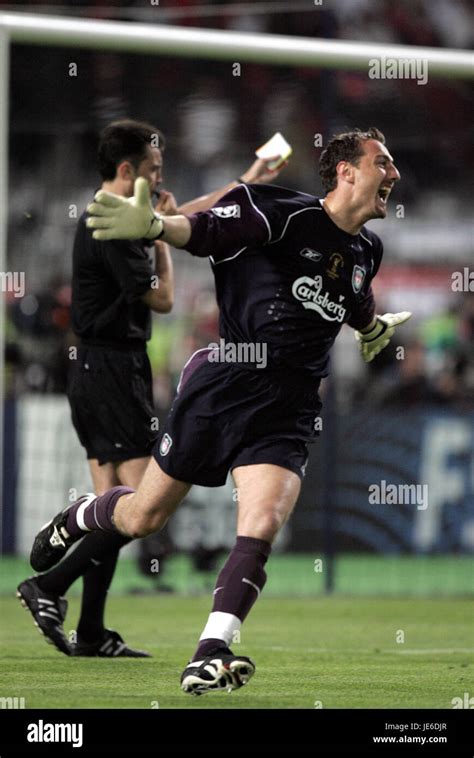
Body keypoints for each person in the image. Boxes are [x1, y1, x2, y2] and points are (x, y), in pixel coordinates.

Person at [30, 127, 411, 693]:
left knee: (260, 528)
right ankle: (80, 517)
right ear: (347, 172)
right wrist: (158, 227)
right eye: (384, 161)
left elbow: (352, 301)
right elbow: (203, 229)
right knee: (143, 517)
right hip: (225, 388)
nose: (395, 174)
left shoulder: (366, 252)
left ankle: (210, 652)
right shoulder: (277, 212)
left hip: (291, 408)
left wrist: (373, 328)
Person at [17, 118, 288, 658]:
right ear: (126, 171)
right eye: (154, 169)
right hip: (112, 371)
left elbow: (182, 215)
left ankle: (90, 631)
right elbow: (163, 297)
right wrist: (162, 243)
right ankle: (47, 587)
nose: (162, 180)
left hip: (101, 370)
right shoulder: (109, 225)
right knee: (141, 510)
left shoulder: (119, 214)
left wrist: (248, 179)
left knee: (113, 507)